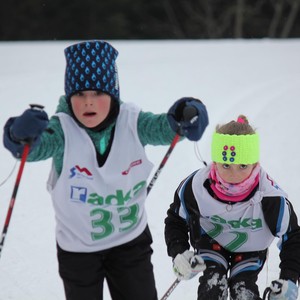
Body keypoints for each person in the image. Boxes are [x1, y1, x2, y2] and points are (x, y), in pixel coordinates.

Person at [2, 40, 209, 300]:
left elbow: (164, 127)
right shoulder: (61, 130)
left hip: (130, 242)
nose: (88, 102)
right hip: (77, 250)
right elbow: (32, 148)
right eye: (79, 94)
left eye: (98, 93)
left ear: (113, 94)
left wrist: (185, 115)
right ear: (69, 96)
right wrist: (17, 135)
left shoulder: (133, 122)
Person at [164, 115, 300, 300]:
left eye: (243, 165)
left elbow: (292, 236)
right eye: (226, 164)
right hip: (211, 241)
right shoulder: (196, 187)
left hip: (250, 248)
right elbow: (176, 219)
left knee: (243, 289)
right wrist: (179, 252)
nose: (233, 175)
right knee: (212, 286)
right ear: (215, 162)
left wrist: (289, 278)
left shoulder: (270, 197)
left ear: (254, 164)